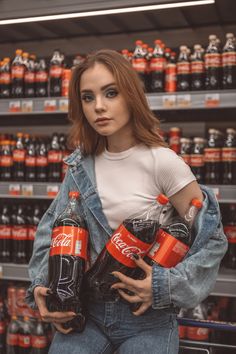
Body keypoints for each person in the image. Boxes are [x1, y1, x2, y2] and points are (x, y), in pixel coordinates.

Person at [26, 49, 227, 354]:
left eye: (110, 93)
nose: (99, 107)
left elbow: (211, 240)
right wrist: (43, 284)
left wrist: (164, 285)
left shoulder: (164, 163)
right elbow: (52, 233)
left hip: (148, 319)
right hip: (86, 314)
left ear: (131, 95)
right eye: (88, 97)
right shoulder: (82, 167)